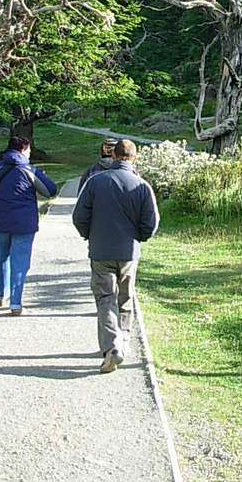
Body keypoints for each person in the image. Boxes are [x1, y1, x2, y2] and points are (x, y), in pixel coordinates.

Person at [72, 138, 160, 374]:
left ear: (113, 156)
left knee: (105, 298)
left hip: (101, 251)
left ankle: (112, 346)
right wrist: (139, 238)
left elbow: (79, 216)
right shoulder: (142, 186)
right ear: (135, 158)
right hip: (129, 252)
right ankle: (124, 341)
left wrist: (88, 234)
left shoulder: (95, 182)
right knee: (126, 298)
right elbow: (151, 223)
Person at [0, 135, 57, 316]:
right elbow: (50, 190)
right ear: (23, 149)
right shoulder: (30, 170)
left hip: (0, 221)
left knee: (2, 257)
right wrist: (42, 175)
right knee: (20, 263)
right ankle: (15, 304)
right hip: (24, 223)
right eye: (28, 150)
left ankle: (1, 295)